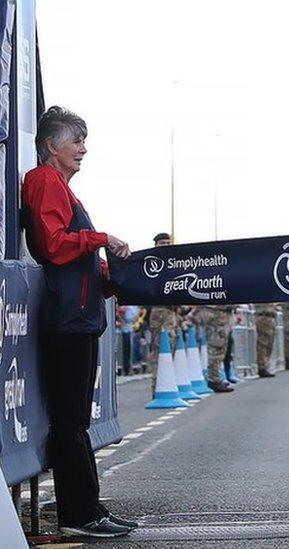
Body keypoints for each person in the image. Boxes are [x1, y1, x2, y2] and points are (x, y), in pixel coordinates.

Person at [22, 106, 137, 537]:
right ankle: (79, 514)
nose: (84, 149)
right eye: (77, 141)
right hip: (67, 321)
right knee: (69, 422)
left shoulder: (60, 186)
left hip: (80, 318)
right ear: (52, 146)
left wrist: (112, 277)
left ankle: (89, 507)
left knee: (77, 422)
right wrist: (102, 238)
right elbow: (53, 246)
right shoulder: (45, 181)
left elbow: (74, 258)